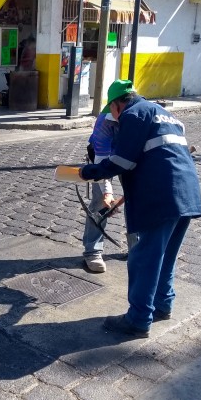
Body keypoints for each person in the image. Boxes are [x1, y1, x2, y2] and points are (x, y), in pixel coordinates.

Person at [80, 79, 201, 338]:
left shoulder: (133, 114)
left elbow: (122, 161)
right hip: (187, 193)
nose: (112, 117)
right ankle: (162, 304)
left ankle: (137, 319)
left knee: (143, 257)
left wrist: (88, 172)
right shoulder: (164, 114)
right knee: (165, 255)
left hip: (160, 196)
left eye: (111, 111)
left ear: (116, 105)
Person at [82, 100, 122, 273]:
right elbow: (101, 162)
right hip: (104, 158)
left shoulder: (140, 116)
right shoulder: (103, 122)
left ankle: (137, 247)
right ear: (114, 107)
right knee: (100, 204)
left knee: (137, 198)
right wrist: (108, 193)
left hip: (128, 155)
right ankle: (93, 251)